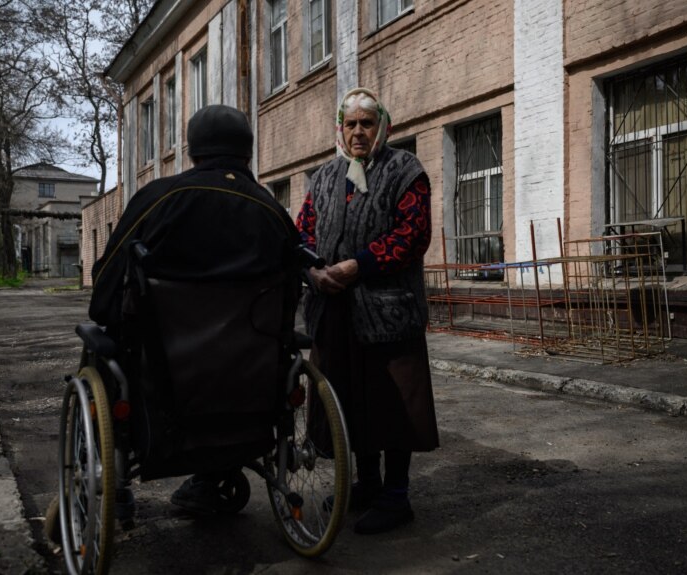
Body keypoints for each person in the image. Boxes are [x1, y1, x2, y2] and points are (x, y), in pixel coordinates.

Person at [89, 104, 299, 519]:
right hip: (250, 390)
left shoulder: (158, 199)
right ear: (248, 154)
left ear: (191, 152)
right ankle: (212, 474)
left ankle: (112, 477)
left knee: (101, 345)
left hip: (163, 388)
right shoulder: (272, 211)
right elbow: (291, 297)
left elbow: (106, 286)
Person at [296, 87, 439, 535]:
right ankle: (368, 483)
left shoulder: (404, 170)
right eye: (351, 123)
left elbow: (412, 235)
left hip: (389, 316)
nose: (358, 131)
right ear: (340, 128)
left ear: (383, 127)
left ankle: (396, 496)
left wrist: (359, 265)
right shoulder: (323, 177)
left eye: (367, 123)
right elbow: (303, 233)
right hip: (333, 311)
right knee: (349, 402)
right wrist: (313, 270)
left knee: (392, 404)